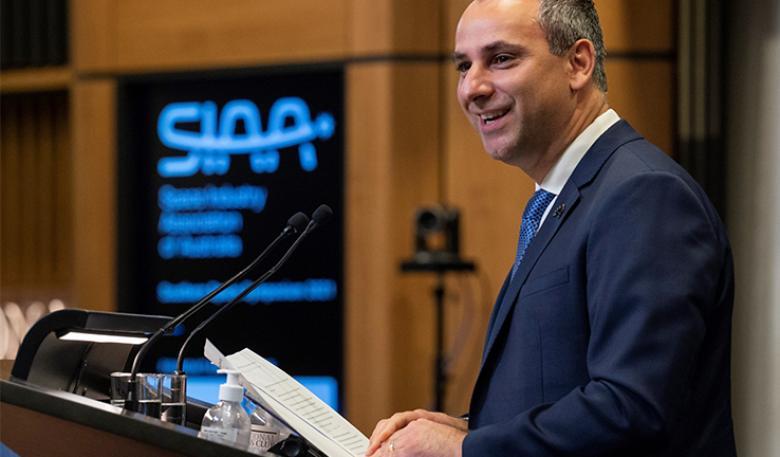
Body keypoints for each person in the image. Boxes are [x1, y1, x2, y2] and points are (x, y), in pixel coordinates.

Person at [365, 0, 737, 456]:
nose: (472, 88)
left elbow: (633, 408)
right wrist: (468, 431)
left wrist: (463, 451)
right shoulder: (565, 196)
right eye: (464, 65)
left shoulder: (643, 195)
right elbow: (561, 388)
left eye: (501, 59)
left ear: (578, 63)